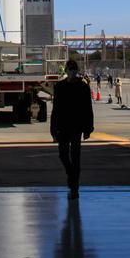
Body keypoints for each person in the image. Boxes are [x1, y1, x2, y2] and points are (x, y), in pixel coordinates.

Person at [50, 59, 95, 198]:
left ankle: (75, 186)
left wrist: (88, 128)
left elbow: (88, 108)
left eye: (74, 69)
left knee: (76, 157)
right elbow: (55, 109)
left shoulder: (83, 87)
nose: (72, 72)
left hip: (77, 126)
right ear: (66, 71)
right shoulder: (59, 87)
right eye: (70, 69)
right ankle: (71, 175)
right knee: (63, 155)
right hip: (63, 126)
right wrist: (53, 129)